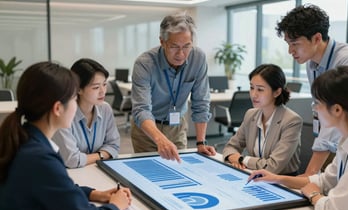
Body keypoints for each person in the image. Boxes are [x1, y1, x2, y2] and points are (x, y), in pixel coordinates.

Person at [0, 62, 131, 210]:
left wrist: (94, 194)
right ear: (57, 108)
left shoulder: (25, 140)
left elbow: (54, 188)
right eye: (73, 99)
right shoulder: (40, 159)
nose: (76, 106)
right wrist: (116, 206)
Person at [248, 66, 348, 210]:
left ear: (336, 109)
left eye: (317, 104)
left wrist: (314, 196)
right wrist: (277, 179)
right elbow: (325, 182)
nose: (314, 109)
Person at [276, 4, 348, 176]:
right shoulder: (311, 64)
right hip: (337, 138)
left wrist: (310, 173)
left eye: (295, 44)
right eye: (288, 43)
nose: (290, 51)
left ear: (316, 38)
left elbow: (339, 113)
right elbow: (321, 108)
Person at [131, 12, 216, 162]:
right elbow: (141, 109)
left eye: (187, 46)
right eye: (174, 46)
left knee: (178, 172)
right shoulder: (144, 63)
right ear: (162, 42)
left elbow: (201, 102)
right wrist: (159, 139)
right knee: (149, 175)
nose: (181, 54)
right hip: (148, 130)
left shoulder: (198, 58)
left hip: (177, 128)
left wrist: (201, 142)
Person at [223, 64, 302, 175]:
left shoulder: (291, 121)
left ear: (277, 92)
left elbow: (272, 166)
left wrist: (242, 160)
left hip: (282, 182)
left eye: (260, 89)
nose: (253, 94)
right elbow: (230, 147)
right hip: (254, 175)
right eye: (251, 88)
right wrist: (233, 157)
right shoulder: (251, 115)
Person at [53, 58, 120, 168]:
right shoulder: (64, 114)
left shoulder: (105, 109)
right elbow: (72, 160)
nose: (103, 91)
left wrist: (86, 158)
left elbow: (114, 145)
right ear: (78, 89)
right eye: (96, 87)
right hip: (68, 175)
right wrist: (102, 155)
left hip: (96, 171)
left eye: (104, 84)